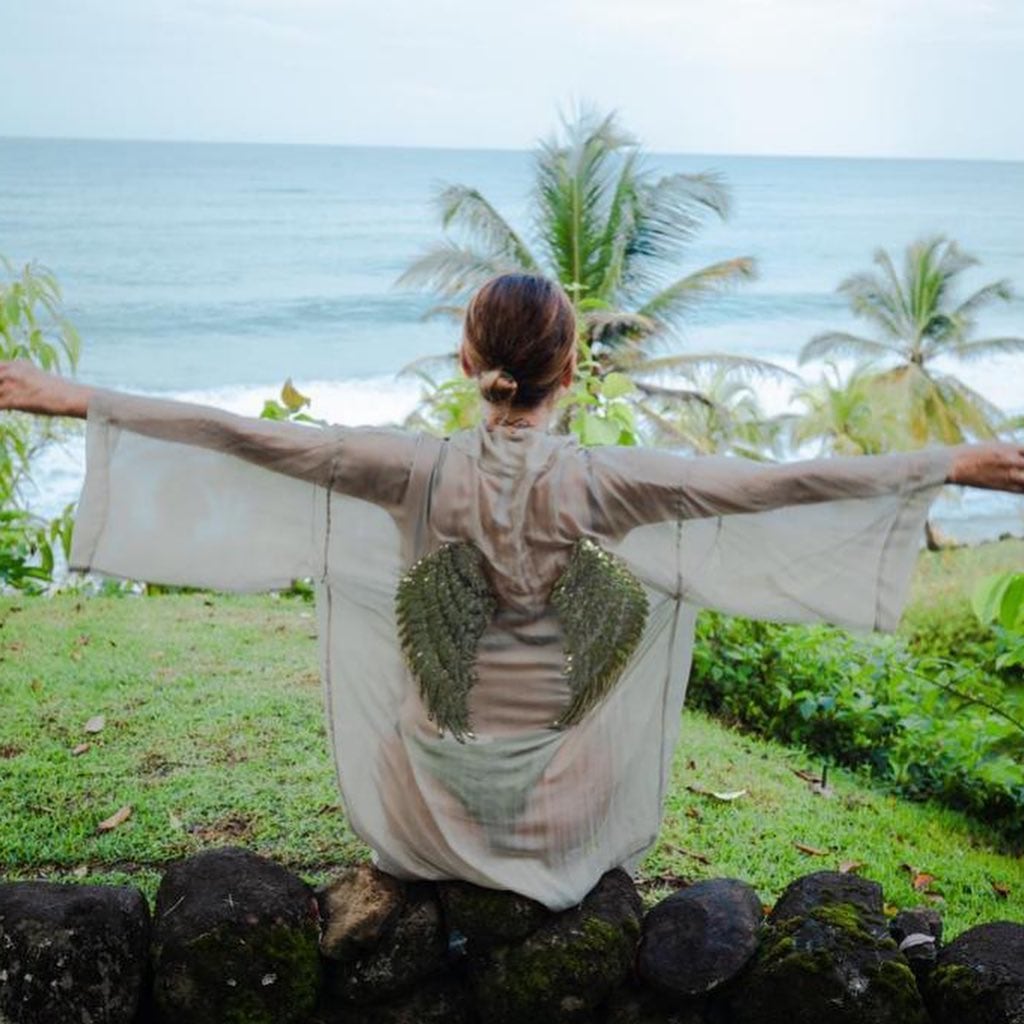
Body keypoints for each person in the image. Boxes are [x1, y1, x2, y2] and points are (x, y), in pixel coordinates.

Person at [1, 272, 1022, 912]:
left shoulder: (404, 466)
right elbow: (774, 483)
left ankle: (415, 885)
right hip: (556, 812)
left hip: (421, 797)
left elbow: (245, 433)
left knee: (403, 639)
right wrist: (948, 463)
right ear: (570, 365)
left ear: (467, 362)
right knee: (634, 632)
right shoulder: (606, 480)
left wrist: (73, 399)